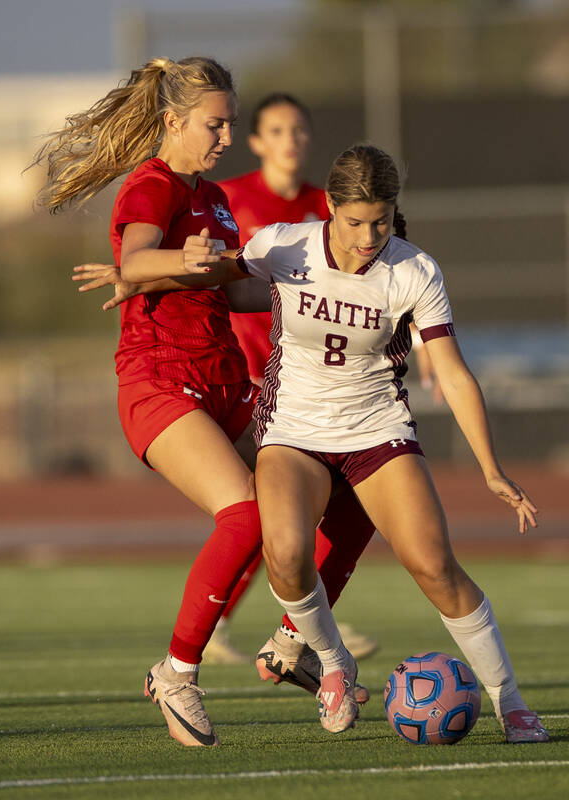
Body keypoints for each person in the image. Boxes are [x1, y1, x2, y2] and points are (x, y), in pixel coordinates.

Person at [114, 143, 552, 744]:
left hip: (377, 432)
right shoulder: (282, 244)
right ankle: (333, 664)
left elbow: (452, 372)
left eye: (380, 220)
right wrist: (131, 274)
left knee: (434, 566)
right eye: (354, 222)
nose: (368, 236)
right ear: (329, 207)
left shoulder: (415, 271)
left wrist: (491, 469)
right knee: (286, 554)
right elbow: (212, 281)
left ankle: (512, 704)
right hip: (292, 431)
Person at [36, 56, 373, 748]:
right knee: (246, 512)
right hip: (160, 383)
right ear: (173, 122)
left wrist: (330, 288)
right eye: (214, 126)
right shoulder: (152, 184)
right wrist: (168, 266)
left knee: (351, 493)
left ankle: (293, 641)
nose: (224, 136)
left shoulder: (214, 199)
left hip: (225, 381)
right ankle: (177, 672)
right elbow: (136, 258)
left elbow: (238, 290)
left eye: (229, 125)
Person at [201, 92, 377, 666]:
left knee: (319, 509)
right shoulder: (231, 197)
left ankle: (302, 624)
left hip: (310, 383)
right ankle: (276, 626)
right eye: (278, 130)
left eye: (299, 129)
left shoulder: (324, 208)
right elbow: (221, 279)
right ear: (256, 141)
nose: (291, 140)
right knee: (266, 511)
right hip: (250, 378)